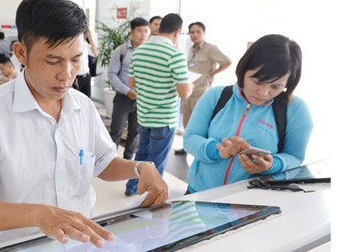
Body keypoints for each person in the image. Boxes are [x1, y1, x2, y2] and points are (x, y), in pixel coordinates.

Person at [0, 0, 168, 248]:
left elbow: (102, 161)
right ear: (22, 53)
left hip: (81, 244)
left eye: (75, 59)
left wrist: (140, 167)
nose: (66, 74)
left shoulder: (82, 106)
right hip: (20, 246)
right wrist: (39, 215)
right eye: (53, 61)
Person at [183, 34, 313, 194]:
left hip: (251, 202)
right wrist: (217, 150)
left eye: (276, 86)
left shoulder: (296, 110)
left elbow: (295, 157)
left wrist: (272, 165)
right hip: (199, 193)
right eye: (258, 81)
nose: (264, 92)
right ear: (243, 70)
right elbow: (190, 138)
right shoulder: (216, 96)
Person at [125, 13, 192, 196]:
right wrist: (190, 85)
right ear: (177, 32)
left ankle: (132, 188)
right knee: (157, 160)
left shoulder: (139, 51)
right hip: (163, 118)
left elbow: (131, 83)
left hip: (144, 114)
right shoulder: (175, 53)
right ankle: (151, 195)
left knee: (141, 156)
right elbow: (184, 93)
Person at [174, 22, 231, 155]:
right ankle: (187, 147)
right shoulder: (191, 49)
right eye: (192, 32)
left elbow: (227, 61)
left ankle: (201, 151)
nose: (194, 35)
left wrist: (212, 74)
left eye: (198, 32)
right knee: (187, 122)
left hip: (201, 92)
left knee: (200, 124)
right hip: (189, 91)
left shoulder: (210, 48)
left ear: (204, 33)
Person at [108, 17, 150, 160]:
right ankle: (110, 160)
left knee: (135, 132)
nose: (143, 34)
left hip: (143, 99)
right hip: (123, 98)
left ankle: (127, 160)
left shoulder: (151, 52)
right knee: (116, 131)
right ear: (132, 32)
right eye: (139, 31)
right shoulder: (122, 51)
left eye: (146, 31)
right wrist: (127, 90)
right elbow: (112, 74)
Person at [73, 28, 97, 97]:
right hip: (77, 77)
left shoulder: (85, 43)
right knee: (76, 99)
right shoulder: (74, 43)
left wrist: (90, 37)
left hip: (86, 76)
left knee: (87, 99)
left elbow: (95, 54)